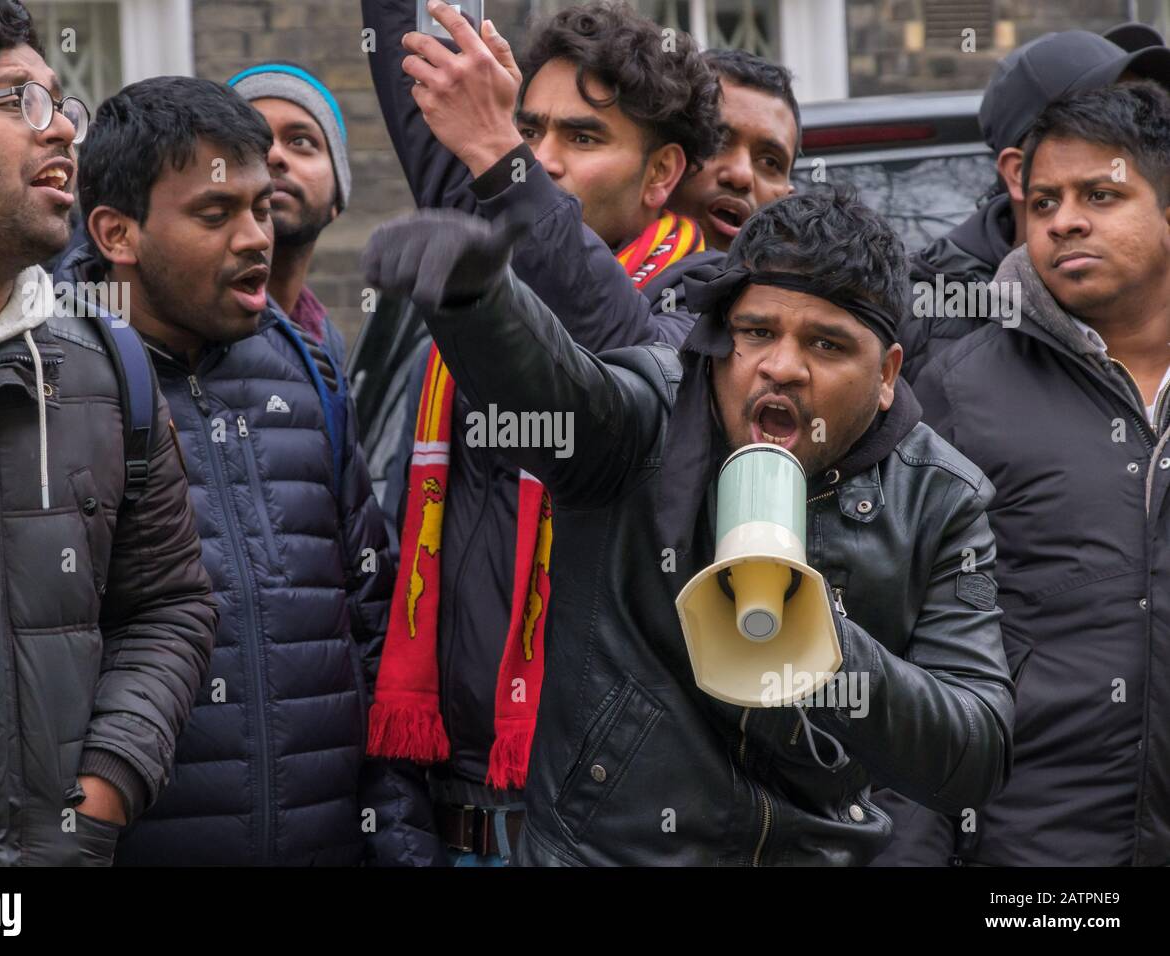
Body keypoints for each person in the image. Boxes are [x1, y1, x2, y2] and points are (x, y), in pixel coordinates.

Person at [360, 187, 1014, 865]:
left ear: (886, 375)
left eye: (827, 343)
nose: (782, 366)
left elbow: (975, 751)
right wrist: (478, 301)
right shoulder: (647, 418)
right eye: (757, 332)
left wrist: (822, 647)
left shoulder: (941, 496)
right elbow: (552, 388)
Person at [362, 0, 724, 864]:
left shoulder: (706, 300)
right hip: (448, 812)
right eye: (529, 127)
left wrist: (499, 151)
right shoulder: (482, 272)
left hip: (597, 829)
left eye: (583, 138)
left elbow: (625, 368)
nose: (545, 160)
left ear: (661, 173)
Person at [57, 75, 440, 866]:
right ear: (116, 232)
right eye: (215, 213)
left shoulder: (305, 375)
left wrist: (397, 840)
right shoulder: (51, 389)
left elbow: (372, 627)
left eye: (261, 207)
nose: (255, 237)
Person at [0, 0, 216, 866]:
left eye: (64, 105)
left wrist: (103, 788)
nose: (62, 130)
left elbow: (168, 607)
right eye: (19, 100)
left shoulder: (112, 370)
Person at [913, 81, 1170, 866]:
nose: (1065, 221)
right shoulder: (960, 392)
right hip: (1037, 852)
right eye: (1044, 201)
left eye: (1102, 193)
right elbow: (902, 654)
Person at [902, 27, 1170, 384]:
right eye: (1101, 112)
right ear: (1017, 173)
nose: (1136, 125)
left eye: (1144, 107)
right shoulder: (935, 316)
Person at [229, 61, 350, 366]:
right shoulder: (178, 332)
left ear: (338, 197)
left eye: (301, 141)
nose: (274, 156)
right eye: (252, 140)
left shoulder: (329, 347)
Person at [668, 48, 801, 252]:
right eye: (716, 140)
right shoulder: (602, 270)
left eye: (769, 162)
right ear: (660, 162)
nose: (741, 176)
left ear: (786, 200)